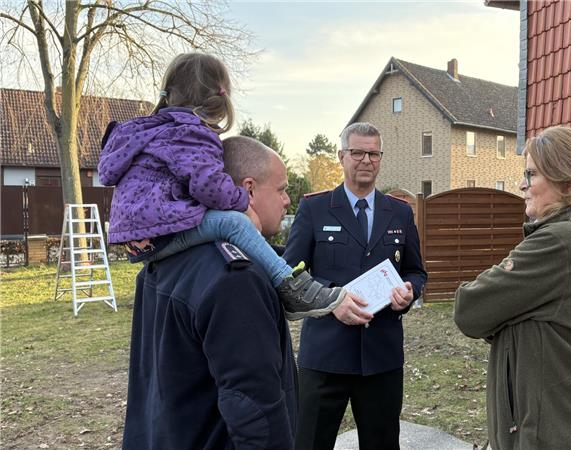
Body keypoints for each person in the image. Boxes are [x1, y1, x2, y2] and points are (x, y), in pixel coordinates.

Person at [98, 52, 345, 321]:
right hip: (160, 232)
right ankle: (292, 290)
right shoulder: (191, 132)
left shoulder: (146, 130)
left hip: (137, 240)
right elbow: (209, 185)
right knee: (234, 223)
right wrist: (243, 204)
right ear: (219, 100)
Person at [453, 126, 571, 449]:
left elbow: (469, 309)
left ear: (569, 182)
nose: (522, 184)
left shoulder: (561, 241)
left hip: (563, 435)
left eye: (532, 174)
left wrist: (503, 315)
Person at [122, 136, 298, 449]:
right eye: (282, 189)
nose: (287, 201)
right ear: (249, 190)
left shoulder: (164, 261)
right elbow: (255, 413)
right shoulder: (235, 279)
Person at [283, 122, 427, 450]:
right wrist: (333, 299)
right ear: (342, 156)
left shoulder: (400, 213)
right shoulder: (315, 208)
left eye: (373, 153)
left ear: (381, 157)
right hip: (325, 357)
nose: (366, 160)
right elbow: (290, 273)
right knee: (310, 443)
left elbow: (417, 272)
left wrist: (409, 292)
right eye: (358, 152)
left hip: (381, 359)